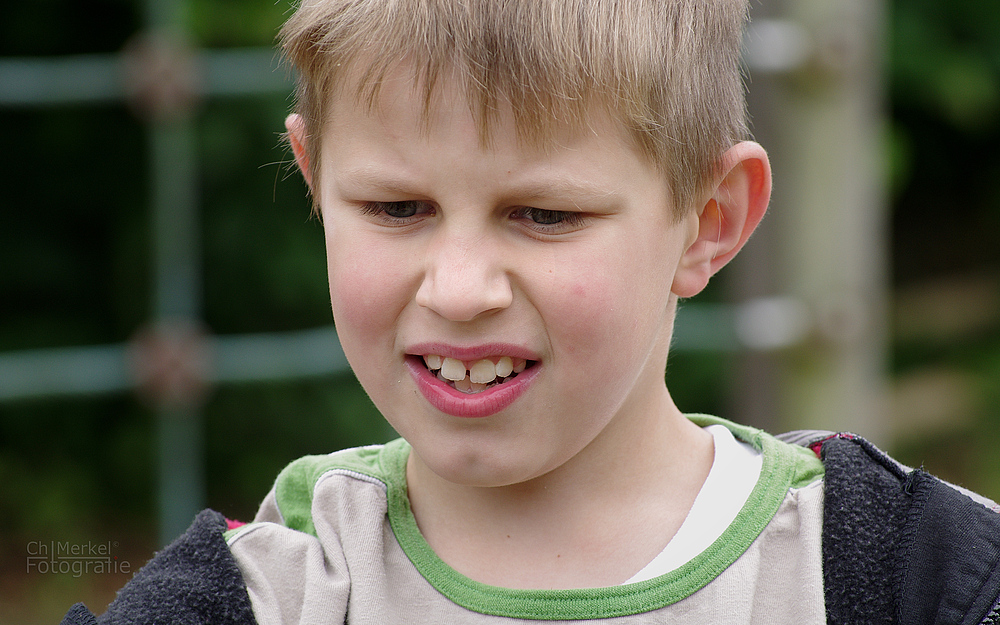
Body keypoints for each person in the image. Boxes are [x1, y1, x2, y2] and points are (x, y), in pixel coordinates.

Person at [62, 0, 1000, 623]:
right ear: (315, 182)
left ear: (707, 222)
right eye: (397, 209)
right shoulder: (269, 591)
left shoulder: (907, 572)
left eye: (544, 215)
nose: (460, 288)